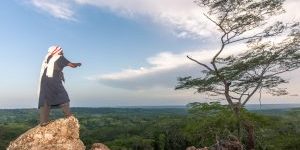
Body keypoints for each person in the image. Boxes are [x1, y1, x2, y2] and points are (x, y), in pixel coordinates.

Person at [38, 45, 81, 126]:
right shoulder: (59, 57)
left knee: (45, 99)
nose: (63, 52)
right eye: (61, 50)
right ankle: (69, 116)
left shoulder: (48, 58)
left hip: (44, 81)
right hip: (53, 80)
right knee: (63, 96)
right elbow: (71, 65)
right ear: (57, 51)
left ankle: (43, 122)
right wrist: (77, 64)